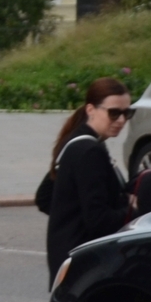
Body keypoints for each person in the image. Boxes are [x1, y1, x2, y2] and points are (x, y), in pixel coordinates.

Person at [41, 76, 133, 274]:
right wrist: (133, 209)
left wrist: (69, 216)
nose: (122, 120)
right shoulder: (90, 151)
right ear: (91, 109)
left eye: (128, 113)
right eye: (114, 113)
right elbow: (99, 220)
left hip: (67, 256)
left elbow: (44, 197)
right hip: (83, 262)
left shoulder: (74, 141)